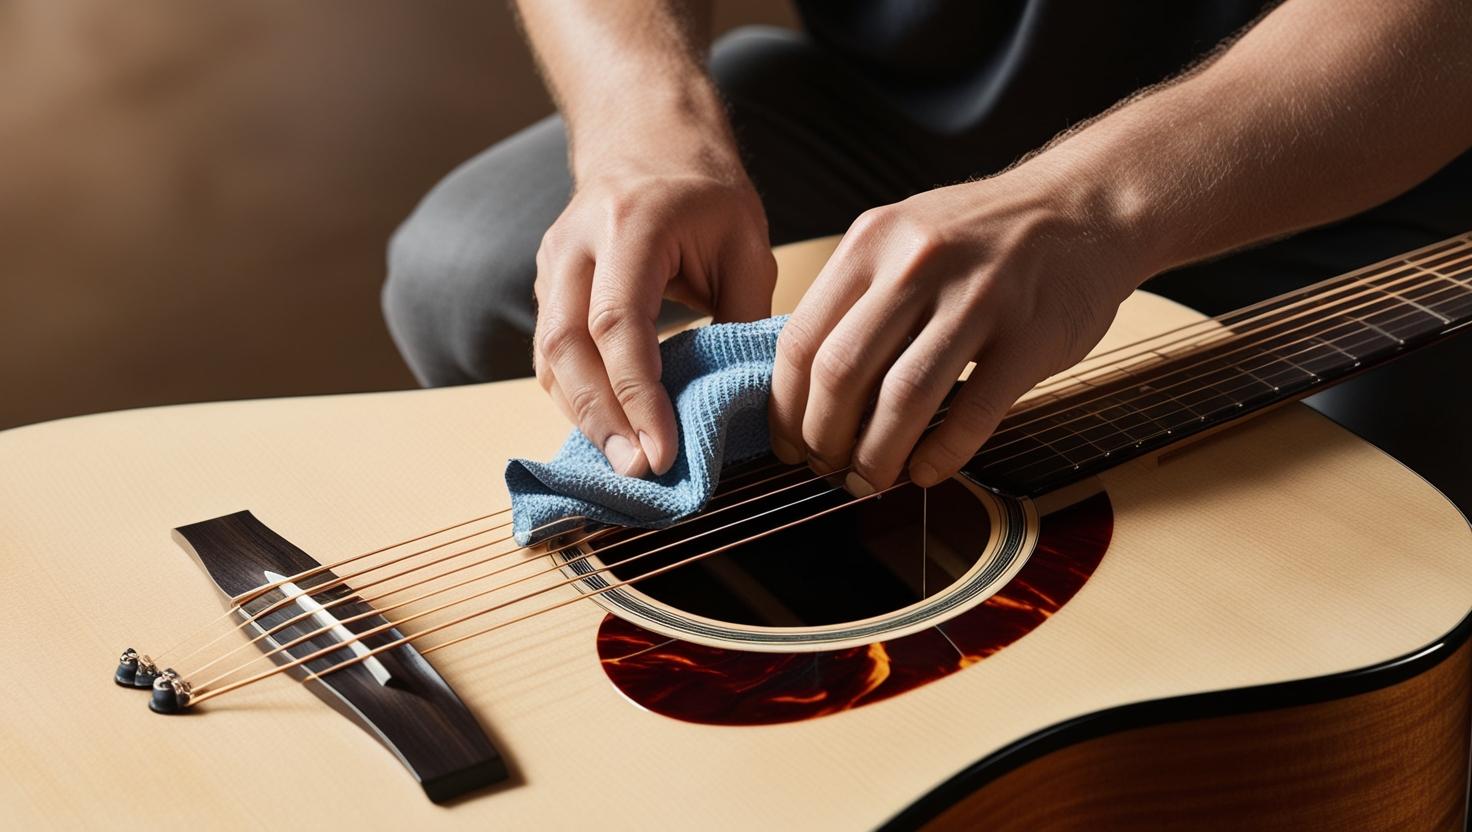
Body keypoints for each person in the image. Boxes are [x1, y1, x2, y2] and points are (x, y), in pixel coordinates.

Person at [383, 0, 1472, 499]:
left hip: (1346, 176)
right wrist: (640, 127)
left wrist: (1082, 211)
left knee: (1357, 560)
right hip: (900, 121)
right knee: (472, 271)